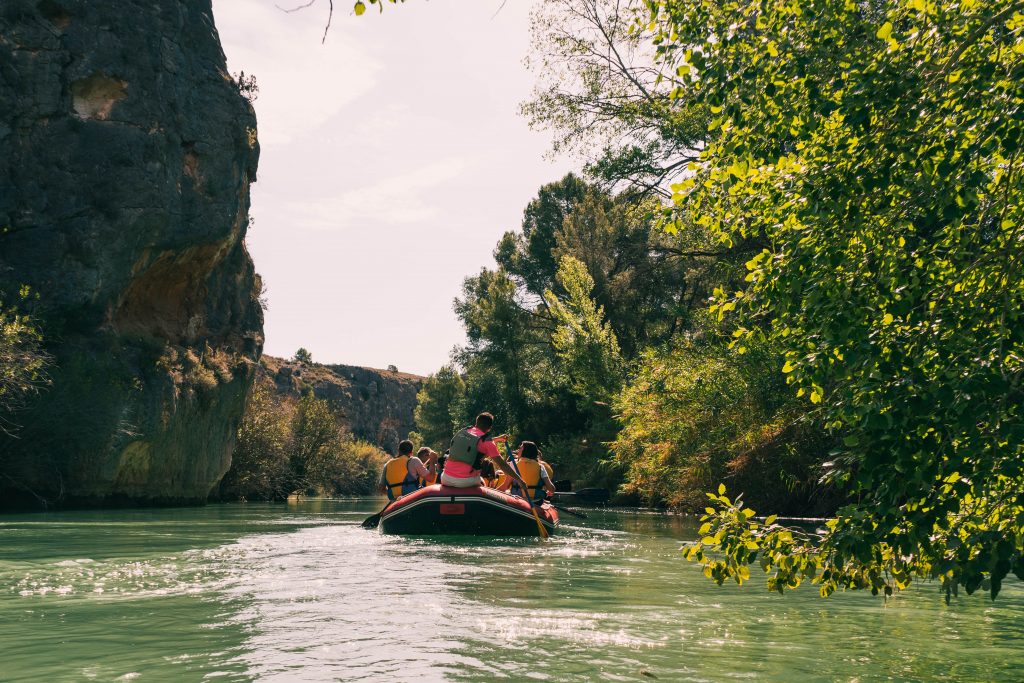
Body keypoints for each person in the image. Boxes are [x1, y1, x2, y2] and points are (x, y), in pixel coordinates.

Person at [443, 412, 531, 494]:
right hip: (465, 481)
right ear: (489, 428)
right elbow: (502, 465)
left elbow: (478, 443)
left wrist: (497, 439)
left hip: (445, 478)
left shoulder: (465, 431)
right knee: (482, 481)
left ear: (476, 422)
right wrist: (520, 480)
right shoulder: (488, 442)